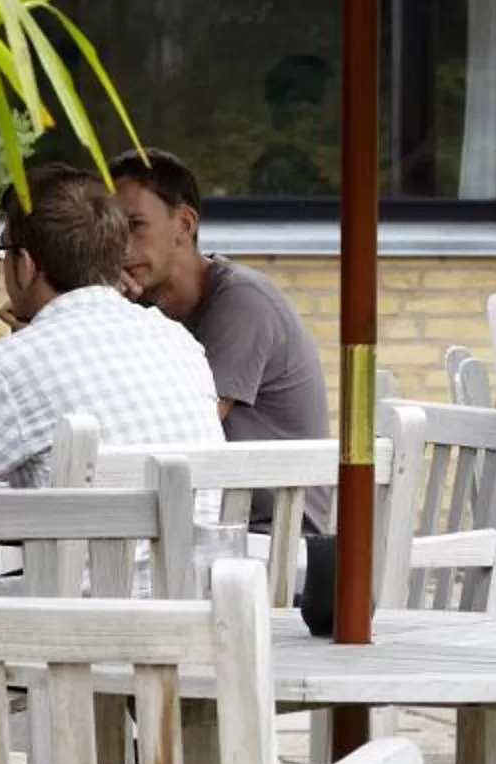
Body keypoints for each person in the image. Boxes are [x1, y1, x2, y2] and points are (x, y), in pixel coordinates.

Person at [0, 167, 221, 490]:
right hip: (202, 554)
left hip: (80, 557)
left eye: (2, 250)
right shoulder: (181, 344)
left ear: (25, 265)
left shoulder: (9, 369)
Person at [110, 151, 334, 534]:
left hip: (274, 538)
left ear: (184, 223)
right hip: (204, 523)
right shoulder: (141, 306)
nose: (120, 247)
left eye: (135, 226)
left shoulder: (242, 301)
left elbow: (186, 427)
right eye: (110, 231)